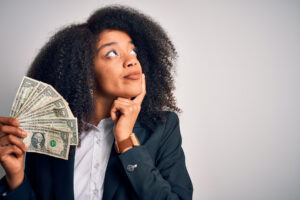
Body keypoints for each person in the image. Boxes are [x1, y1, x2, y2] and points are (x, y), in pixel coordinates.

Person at [0, 5, 193, 200]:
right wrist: (15, 177)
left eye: (133, 51)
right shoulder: (51, 132)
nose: (131, 61)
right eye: (112, 53)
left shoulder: (162, 127)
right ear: (87, 73)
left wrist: (126, 141)